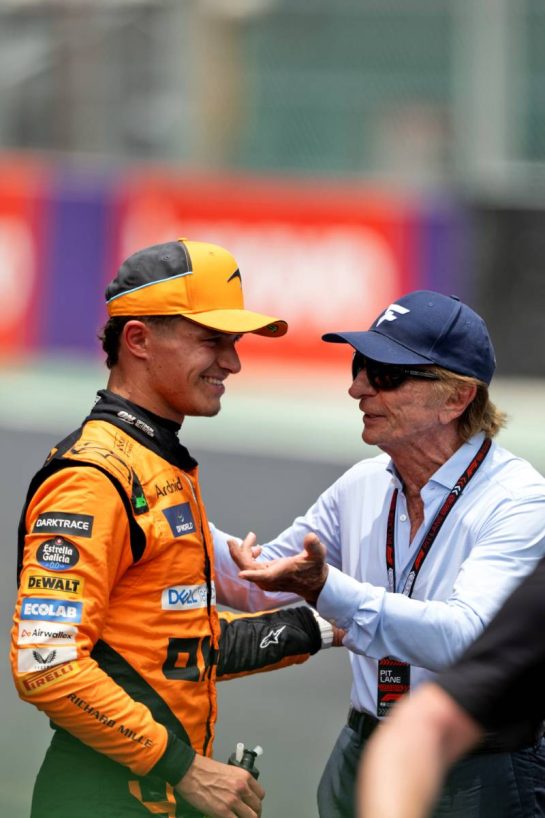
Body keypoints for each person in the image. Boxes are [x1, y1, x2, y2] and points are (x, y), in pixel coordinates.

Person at [10, 238, 339, 818]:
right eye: (212, 341)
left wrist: (326, 624)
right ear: (137, 339)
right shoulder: (93, 477)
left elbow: (172, 650)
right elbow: (48, 665)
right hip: (101, 799)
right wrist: (185, 769)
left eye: (234, 343)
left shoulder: (159, 463)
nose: (233, 363)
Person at [212, 290, 545, 818]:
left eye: (386, 374)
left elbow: (463, 640)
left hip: (478, 770)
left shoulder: (520, 501)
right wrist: (165, 508)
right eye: (360, 364)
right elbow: (256, 580)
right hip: (361, 751)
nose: (357, 387)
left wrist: (327, 589)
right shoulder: (363, 483)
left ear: (457, 398)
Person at [358, 552, 545, 818]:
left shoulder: (516, 513)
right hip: (376, 739)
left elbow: (461, 638)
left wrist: (332, 599)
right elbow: (424, 726)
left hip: (485, 761)